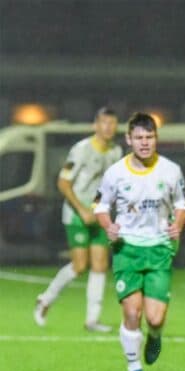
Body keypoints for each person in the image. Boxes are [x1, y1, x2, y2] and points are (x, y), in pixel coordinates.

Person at [94, 112, 185, 371]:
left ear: (156, 138)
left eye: (149, 137)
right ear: (128, 139)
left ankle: (155, 337)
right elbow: (100, 205)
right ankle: (134, 369)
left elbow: (182, 203)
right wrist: (108, 225)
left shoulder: (170, 170)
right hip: (127, 249)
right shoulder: (115, 173)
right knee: (132, 312)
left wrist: (178, 223)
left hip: (160, 248)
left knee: (155, 319)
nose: (144, 143)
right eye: (139, 138)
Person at [34, 107, 123, 331]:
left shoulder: (116, 151)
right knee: (79, 265)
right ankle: (46, 299)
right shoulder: (81, 150)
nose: (108, 127)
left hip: (99, 214)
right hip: (76, 214)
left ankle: (92, 320)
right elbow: (63, 183)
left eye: (112, 123)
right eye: (104, 123)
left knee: (101, 265)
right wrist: (83, 210)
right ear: (96, 125)